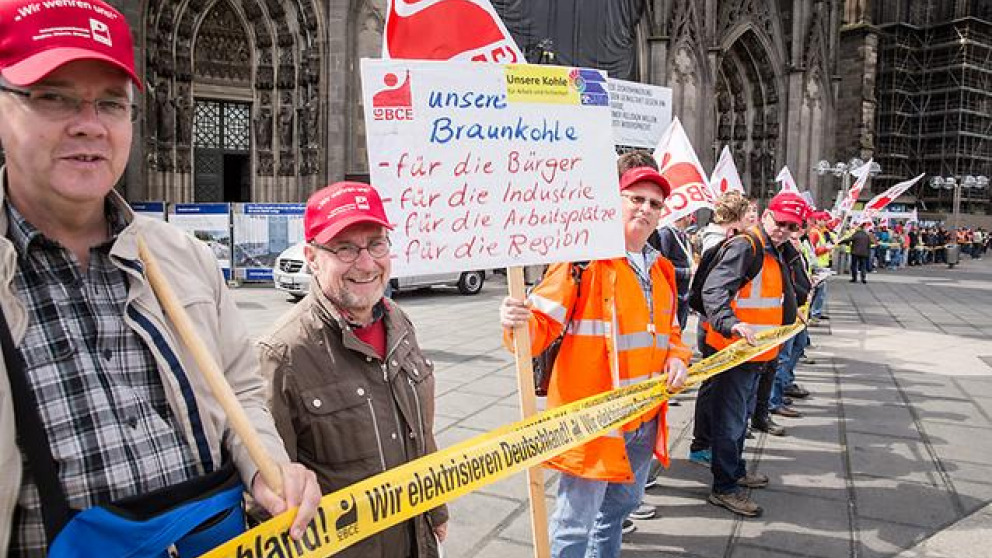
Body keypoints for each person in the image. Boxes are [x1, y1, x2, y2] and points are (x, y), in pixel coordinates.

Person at [0, 1, 320, 554]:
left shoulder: (186, 257)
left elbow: (241, 390)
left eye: (111, 103)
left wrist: (265, 465)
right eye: (53, 96)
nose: (89, 124)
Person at [499, 161, 690, 557]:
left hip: (644, 418)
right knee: (573, 525)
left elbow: (669, 332)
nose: (645, 208)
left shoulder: (662, 269)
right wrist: (515, 321)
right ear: (615, 202)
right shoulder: (582, 259)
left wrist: (677, 358)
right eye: (636, 198)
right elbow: (536, 329)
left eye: (655, 203)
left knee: (618, 511)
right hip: (594, 420)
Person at [262, 182, 448, 558]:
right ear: (312, 257)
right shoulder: (282, 354)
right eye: (345, 248)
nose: (366, 263)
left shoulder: (400, 323)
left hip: (417, 543)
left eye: (376, 244)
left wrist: (436, 508)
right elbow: (268, 492)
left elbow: (421, 434)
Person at [697, 192, 807, 517]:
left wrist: (791, 312)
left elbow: (784, 292)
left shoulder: (778, 250)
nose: (784, 229)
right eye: (780, 221)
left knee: (740, 419)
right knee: (731, 423)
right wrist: (731, 324)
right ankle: (725, 487)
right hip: (734, 352)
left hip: (758, 353)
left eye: (792, 226)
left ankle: (737, 471)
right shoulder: (747, 246)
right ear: (765, 214)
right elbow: (714, 289)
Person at [688, 190, 752, 467]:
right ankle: (702, 444)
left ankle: (706, 441)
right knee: (712, 385)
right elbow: (711, 288)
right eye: (750, 213)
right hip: (714, 323)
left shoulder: (720, 237)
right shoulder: (723, 241)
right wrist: (728, 321)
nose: (753, 219)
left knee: (713, 384)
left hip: (716, 321)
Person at [649, 215, 693, 330]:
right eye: (689, 215)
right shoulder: (666, 234)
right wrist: (687, 272)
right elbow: (662, 267)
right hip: (673, 294)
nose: (691, 219)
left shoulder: (683, 236)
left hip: (683, 294)